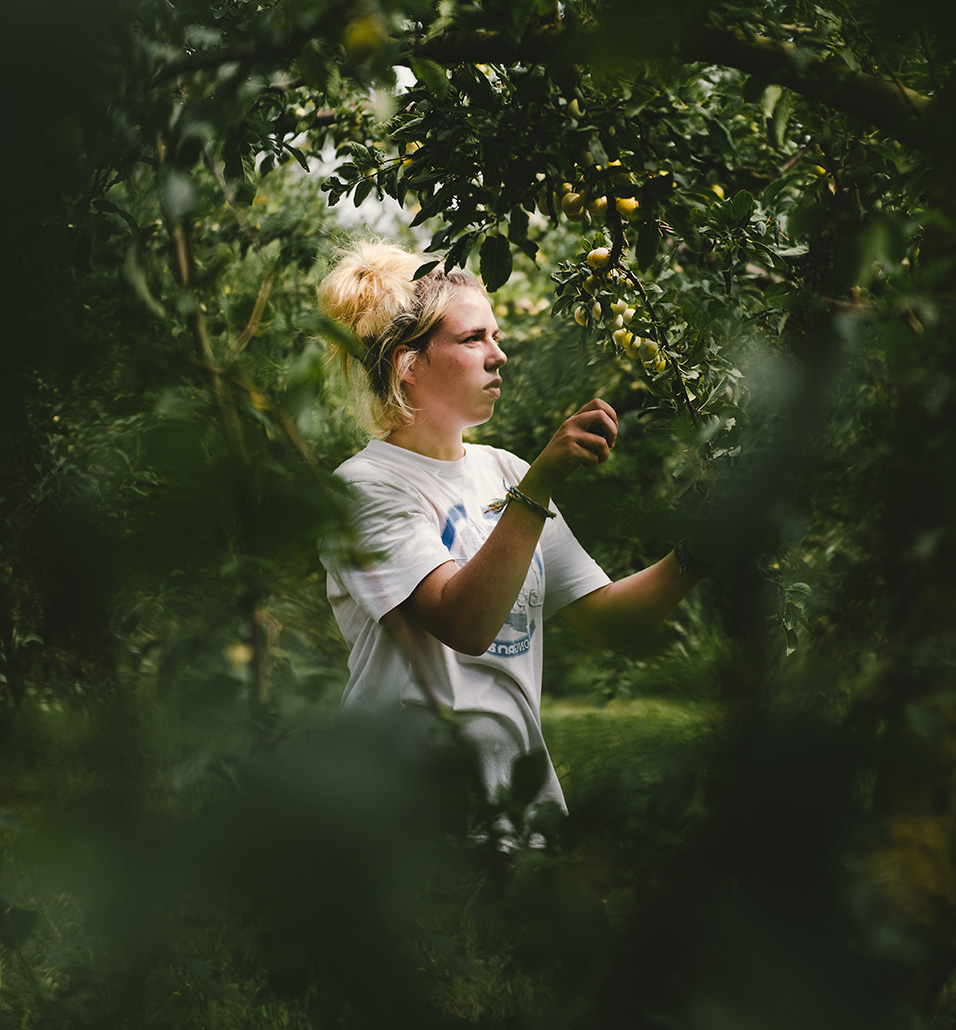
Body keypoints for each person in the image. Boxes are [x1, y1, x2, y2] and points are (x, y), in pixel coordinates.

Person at [317, 240, 701, 845]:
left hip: (518, 808)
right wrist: (542, 481)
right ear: (407, 363)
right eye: (473, 339)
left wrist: (698, 551)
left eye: (495, 337)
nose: (499, 356)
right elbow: (463, 622)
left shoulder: (505, 472)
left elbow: (605, 619)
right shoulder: (363, 487)